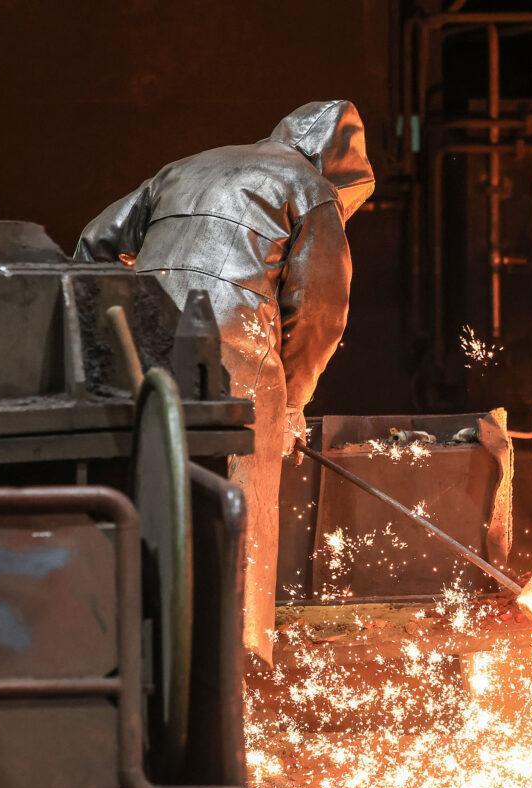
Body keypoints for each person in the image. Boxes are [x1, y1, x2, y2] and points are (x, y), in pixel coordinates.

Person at [76, 100, 374, 660]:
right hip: (238, 363)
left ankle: (128, 656)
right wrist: (291, 405)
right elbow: (318, 316)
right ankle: (231, 673)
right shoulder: (310, 188)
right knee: (238, 521)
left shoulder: (187, 166)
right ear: (339, 166)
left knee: (142, 496)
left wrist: (114, 322)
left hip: (142, 348)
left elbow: (94, 241)